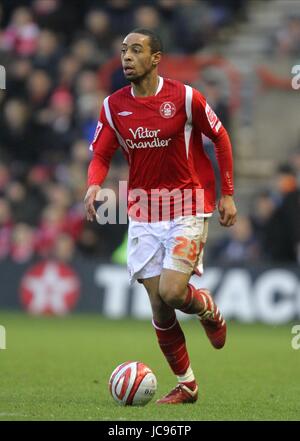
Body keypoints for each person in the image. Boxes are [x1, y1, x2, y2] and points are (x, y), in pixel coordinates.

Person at [84, 28, 237, 404]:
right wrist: (93, 184)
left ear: (156, 58)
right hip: (144, 212)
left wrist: (228, 194)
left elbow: (220, 137)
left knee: (172, 291)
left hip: (187, 204)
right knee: (159, 305)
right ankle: (188, 385)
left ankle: (208, 310)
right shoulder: (113, 106)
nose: (127, 57)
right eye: (123, 51)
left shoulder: (185, 97)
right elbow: (102, 154)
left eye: (136, 50)